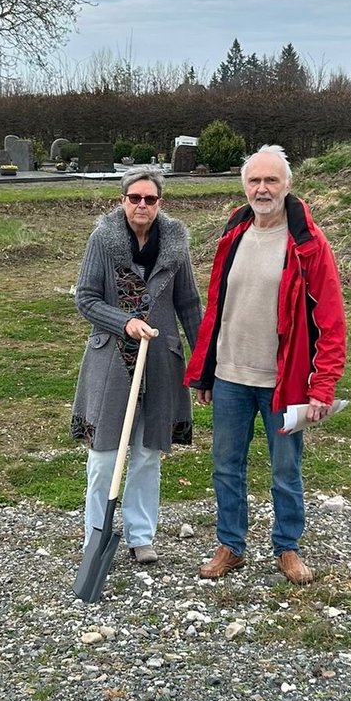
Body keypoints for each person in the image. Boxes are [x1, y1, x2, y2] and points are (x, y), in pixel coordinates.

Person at [185, 145, 346, 585]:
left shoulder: (308, 244)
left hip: (284, 382)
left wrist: (322, 386)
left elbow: (331, 321)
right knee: (225, 466)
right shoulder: (234, 233)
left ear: (287, 185)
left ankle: (287, 547)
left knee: (285, 470)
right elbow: (219, 307)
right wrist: (206, 370)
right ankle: (231, 546)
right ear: (244, 186)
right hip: (230, 377)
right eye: (254, 180)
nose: (262, 189)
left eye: (271, 180)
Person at [71, 169, 203, 564]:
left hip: (160, 360)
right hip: (113, 359)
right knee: (104, 456)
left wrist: (202, 361)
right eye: (134, 198)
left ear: (160, 202)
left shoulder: (175, 242)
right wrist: (124, 322)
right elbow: (86, 298)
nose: (141, 205)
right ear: (122, 200)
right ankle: (96, 538)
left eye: (150, 199)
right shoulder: (103, 239)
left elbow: (189, 304)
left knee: (147, 453)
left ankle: (140, 535)